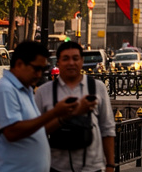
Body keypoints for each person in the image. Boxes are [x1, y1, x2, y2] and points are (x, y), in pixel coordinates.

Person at [0, 41, 83, 172]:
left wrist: (63, 115)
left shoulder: (25, 90)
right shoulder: (4, 90)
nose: (39, 75)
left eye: (42, 70)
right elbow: (12, 132)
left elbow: (36, 128)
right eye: (36, 69)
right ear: (19, 64)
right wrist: (54, 113)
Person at [35, 42, 116, 172]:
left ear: (82, 61)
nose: (71, 63)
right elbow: (36, 131)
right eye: (65, 59)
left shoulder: (97, 87)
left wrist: (110, 165)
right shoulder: (43, 92)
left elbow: (107, 128)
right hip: (56, 167)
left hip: (92, 167)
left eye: (75, 58)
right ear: (58, 62)